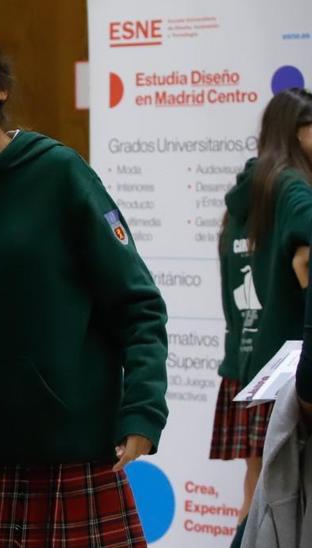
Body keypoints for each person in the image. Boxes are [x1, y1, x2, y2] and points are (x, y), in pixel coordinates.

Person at [0, 17, 169, 545]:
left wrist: (143, 409)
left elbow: (138, 303)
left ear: (0, 84)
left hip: (70, 458)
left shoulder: (60, 173)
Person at [216, 88, 312, 532]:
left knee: (257, 495)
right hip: (286, 367)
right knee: (281, 503)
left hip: (247, 360)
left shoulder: (249, 191)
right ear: (294, 131)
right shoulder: (292, 184)